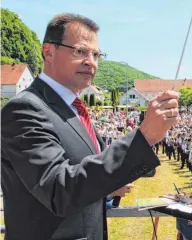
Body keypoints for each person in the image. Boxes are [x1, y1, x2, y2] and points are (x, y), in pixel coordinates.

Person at [1, 13, 179, 240]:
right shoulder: (24, 109)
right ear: (48, 52)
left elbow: (89, 168)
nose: (91, 61)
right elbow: (58, 190)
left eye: (96, 54)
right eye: (80, 51)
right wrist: (143, 137)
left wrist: (110, 185)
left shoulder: (74, 108)